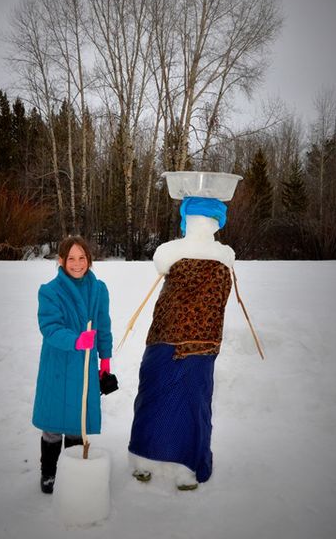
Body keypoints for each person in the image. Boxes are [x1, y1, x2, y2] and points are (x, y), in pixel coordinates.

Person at [128, 197, 233, 490]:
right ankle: (153, 461)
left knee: (173, 401)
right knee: (177, 402)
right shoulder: (223, 255)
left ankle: (166, 465)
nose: (202, 225)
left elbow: (161, 262)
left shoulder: (174, 251)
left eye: (206, 220)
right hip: (180, 339)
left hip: (183, 340)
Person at [32, 236, 113, 493]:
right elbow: (50, 328)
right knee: (54, 425)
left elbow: (104, 327)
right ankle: (49, 473)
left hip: (85, 366)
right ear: (61, 261)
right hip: (58, 364)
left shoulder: (98, 289)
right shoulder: (50, 291)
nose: (77, 264)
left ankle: (70, 472)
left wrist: (106, 360)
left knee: (78, 425)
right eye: (71, 258)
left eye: (82, 258)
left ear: (89, 260)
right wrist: (77, 339)